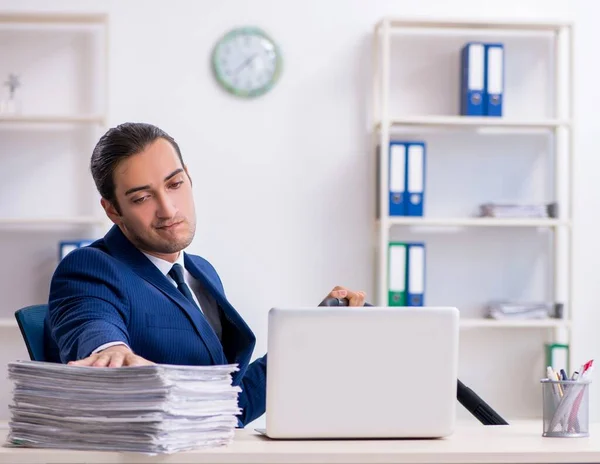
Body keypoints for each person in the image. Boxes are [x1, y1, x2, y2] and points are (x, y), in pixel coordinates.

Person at [43, 122, 366, 426]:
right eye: (142, 198)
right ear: (113, 210)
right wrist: (110, 351)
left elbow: (229, 407)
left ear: (189, 180)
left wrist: (317, 333)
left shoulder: (199, 272)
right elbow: (90, 321)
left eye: (174, 184)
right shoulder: (91, 266)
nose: (167, 209)